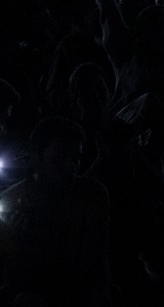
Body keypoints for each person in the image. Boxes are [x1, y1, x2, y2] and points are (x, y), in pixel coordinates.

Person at [0, 115, 112, 307]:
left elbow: (94, 260)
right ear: (35, 158)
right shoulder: (12, 202)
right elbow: (14, 275)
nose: (71, 166)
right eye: (60, 159)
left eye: (76, 158)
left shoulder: (92, 193)